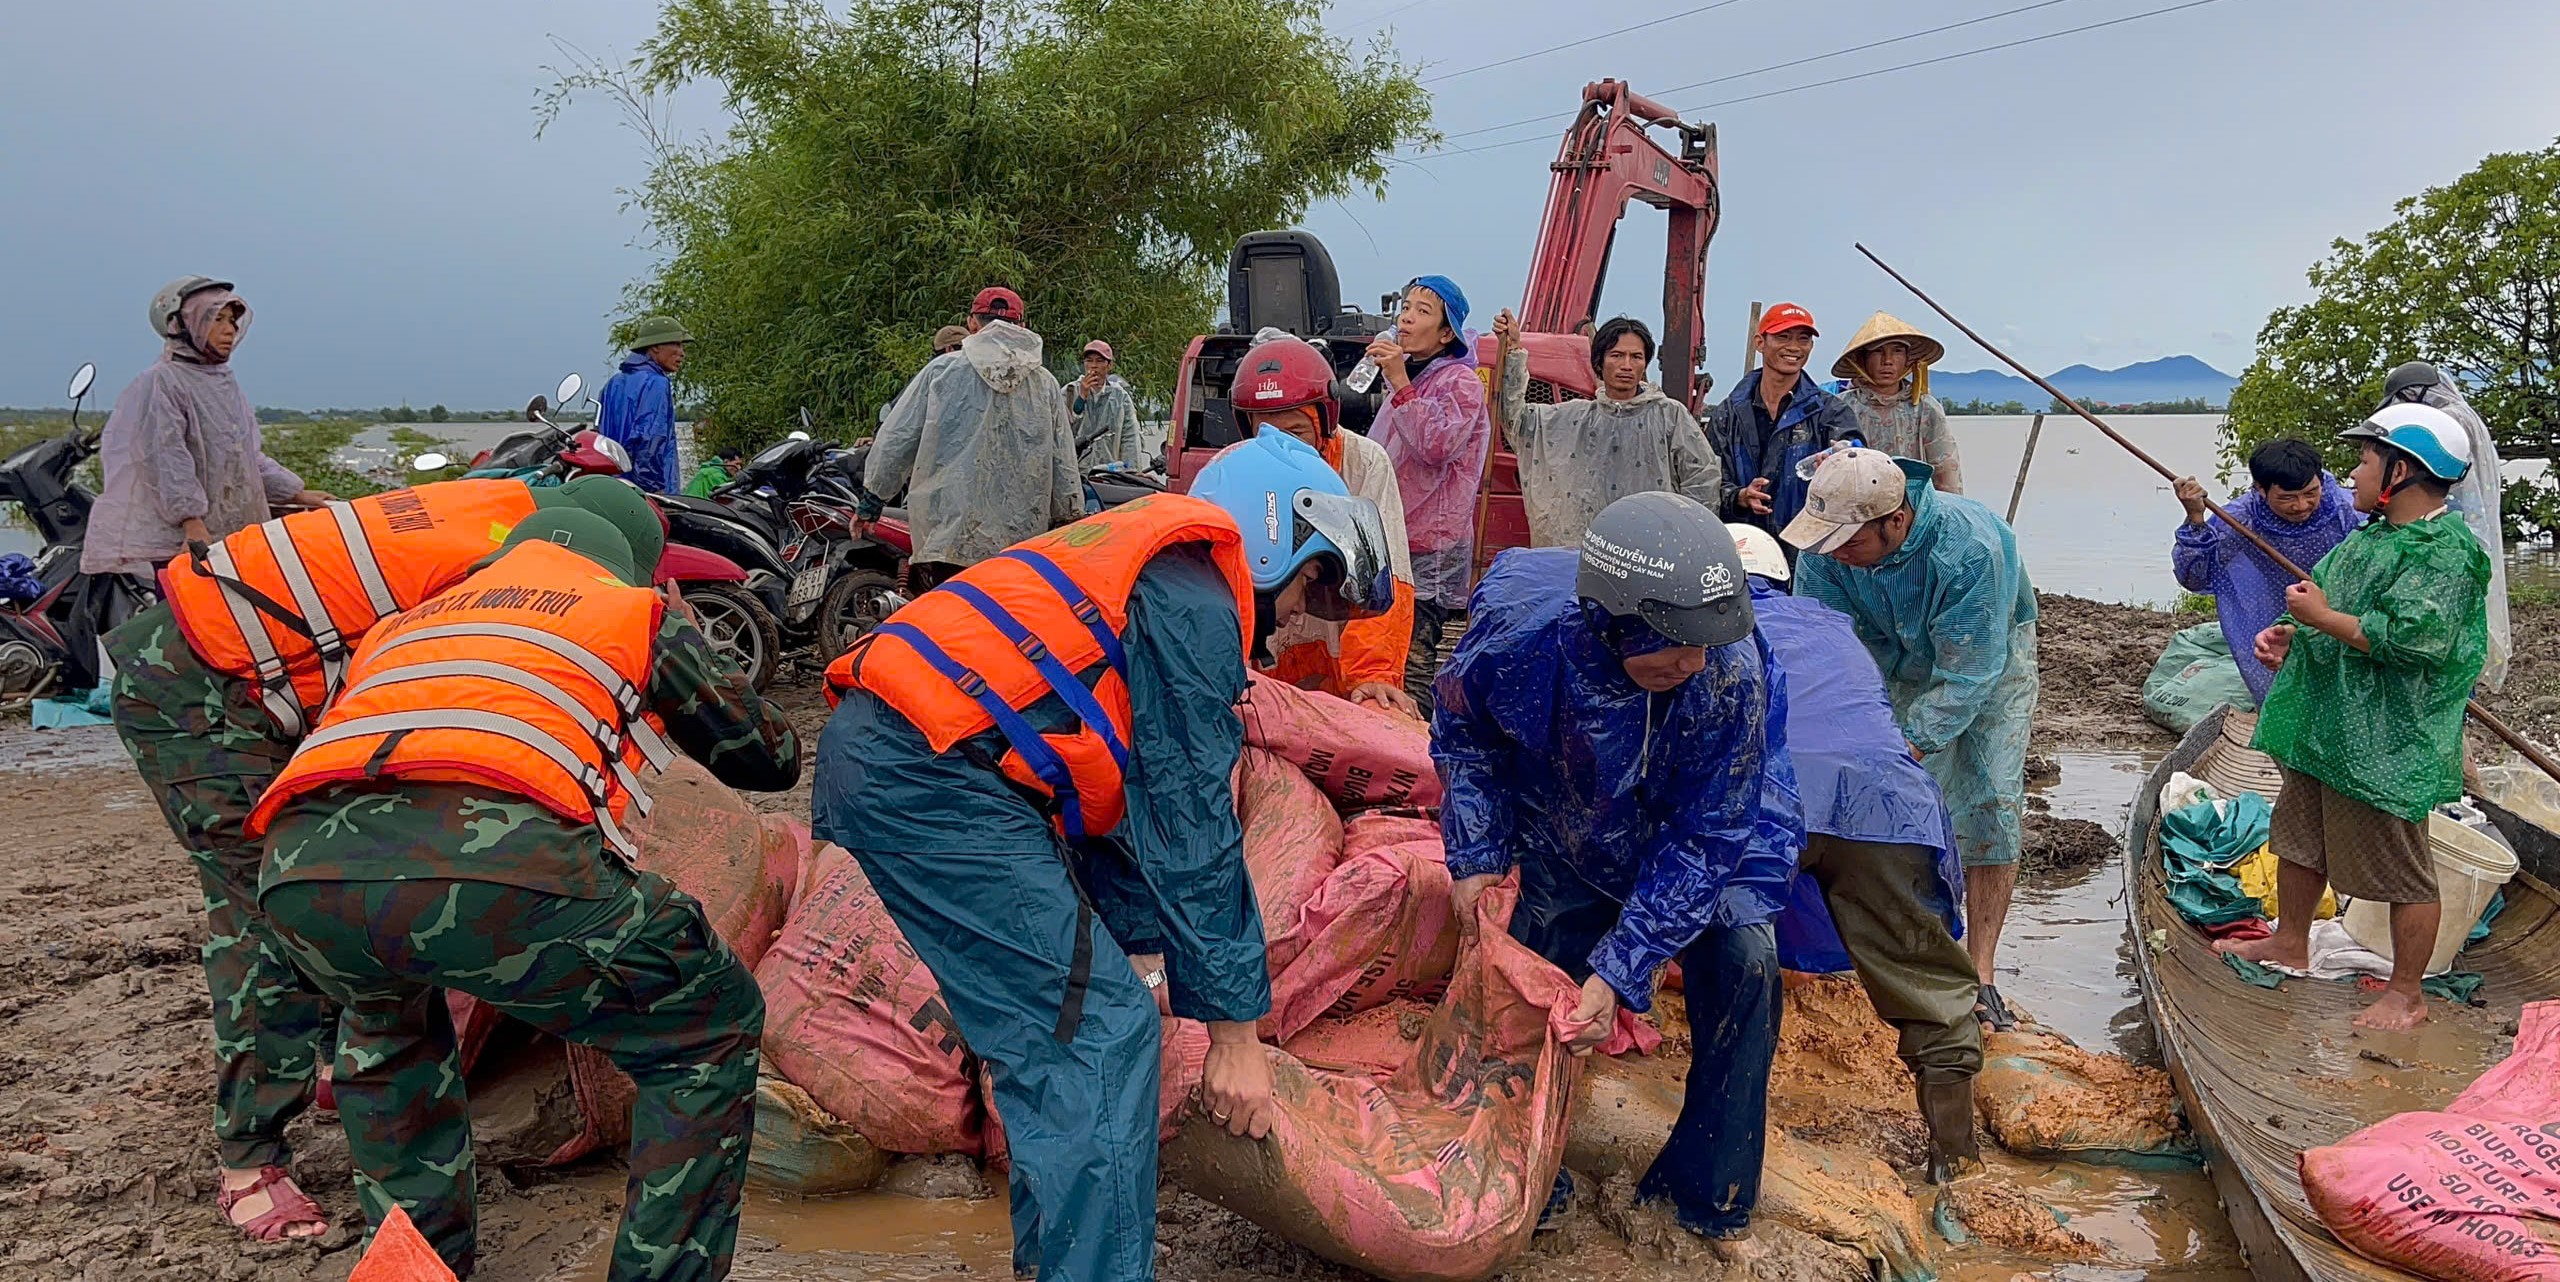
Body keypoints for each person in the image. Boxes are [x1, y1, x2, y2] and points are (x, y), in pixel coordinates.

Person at [815, 428, 1395, 1281]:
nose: (1308, 612)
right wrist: (1234, 1036)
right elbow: (1191, 820)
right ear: (1272, 533)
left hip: (918, 767)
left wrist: (1146, 950)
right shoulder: (1194, 604)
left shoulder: (1154, 573)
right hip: (931, 781)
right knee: (1102, 1041)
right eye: (1314, 581)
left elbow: (1111, 801)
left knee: (1063, 1039)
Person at [101, 475, 665, 1243]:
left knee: (355, 889)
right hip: (197, 688)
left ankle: (345, 1067)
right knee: (275, 911)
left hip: (238, 663)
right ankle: (249, 1160)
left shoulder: (500, 514)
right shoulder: (490, 576)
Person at [249, 508, 799, 1280]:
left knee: (387, 1035)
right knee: (707, 1030)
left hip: (301, 876)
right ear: (637, 567)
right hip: (506, 864)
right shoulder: (627, 607)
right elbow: (767, 757)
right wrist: (686, 638)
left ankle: (419, 1267)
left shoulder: (406, 624)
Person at [1434, 494, 1800, 1248]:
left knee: (1745, 962)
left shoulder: (1728, 675)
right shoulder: (1523, 643)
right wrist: (1474, 853)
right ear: (1615, 621)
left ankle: (1706, 1192)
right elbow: (1465, 736)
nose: (1692, 661)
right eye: (1673, 645)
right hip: (1568, 813)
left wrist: (1626, 968)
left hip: (1712, 825)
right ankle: (1520, 1170)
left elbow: (1707, 837)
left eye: (1706, 643)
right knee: (1527, 960)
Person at [2217, 404, 2491, 1032]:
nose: (2354, 472)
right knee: (2299, 839)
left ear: (2402, 470)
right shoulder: (2372, 538)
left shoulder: (2445, 554)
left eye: (2365, 459)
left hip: (2389, 740)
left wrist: (2321, 621)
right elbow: (2330, 602)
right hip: (2329, 725)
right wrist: (2292, 633)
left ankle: (2407, 994)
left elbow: (2414, 641)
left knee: (2403, 867)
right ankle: (2291, 943)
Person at [1730, 523, 1982, 1182]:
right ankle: (1956, 1163)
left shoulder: (1705, 630)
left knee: (1729, 954)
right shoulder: (1830, 626)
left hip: (1767, 801)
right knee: (1927, 980)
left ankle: (1733, 1150)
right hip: (1885, 803)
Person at [1786, 448, 2037, 1028]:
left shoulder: (1968, 549)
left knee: (1990, 800)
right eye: (1829, 542)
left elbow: (1969, 672)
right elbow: (1818, 641)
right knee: (1871, 792)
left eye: (1851, 543)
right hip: (1882, 650)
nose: (1835, 553)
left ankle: (1981, 972)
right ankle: (1892, 945)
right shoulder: (1828, 548)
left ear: (1895, 520)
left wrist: (1904, 750)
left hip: (1988, 656)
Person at [84, 277, 332, 579]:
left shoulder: (222, 381)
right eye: (216, 319)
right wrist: (191, 521)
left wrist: (296, 493)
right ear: (183, 325)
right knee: (193, 620)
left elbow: (243, 456)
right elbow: (167, 459)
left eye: (231, 320)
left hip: (230, 535)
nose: (229, 330)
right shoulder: (164, 381)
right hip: (186, 542)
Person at [1231, 334, 1420, 716]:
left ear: (1324, 419)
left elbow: (1388, 578)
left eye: (1296, 432)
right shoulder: (1232, 468)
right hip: (1264, 651)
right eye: (1266, 430)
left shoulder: (1363, 463)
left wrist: (1375, 674)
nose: (1282, 446)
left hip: (1344, 643)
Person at [858, 285, 1080, 594]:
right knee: (1008, 627)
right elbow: (1064, 462)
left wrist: (872, 502)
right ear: (1023, 327)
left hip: (950, 537)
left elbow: (898, 438)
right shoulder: (1044, 384)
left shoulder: (941, 372)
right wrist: (1069, 518)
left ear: (972, 323)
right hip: (1022, 542)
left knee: (955, 627)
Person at [1493, 310, 1720, 549]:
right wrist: (1513, 351)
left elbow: (1702, 479)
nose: (1626, 366)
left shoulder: (1669, 415)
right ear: (1599, 361)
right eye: (1617, 355)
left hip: (1653, 556)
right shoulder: (1574, 418)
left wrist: (1686, 539)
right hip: (1584, 556)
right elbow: (1517, 420)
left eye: (1636, 357)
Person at [1364, 276, 1488, 713]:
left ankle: (1415, 753)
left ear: (1445, 332)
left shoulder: (1462, 383)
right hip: (1392, 533)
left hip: (1429, 545)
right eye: (1406, 306)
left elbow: (1435, 445)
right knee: (1381, 652)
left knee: (1413, 658)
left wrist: (1400, 382)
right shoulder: (1412, 374)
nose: (1406, 317)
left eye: (1421, 311)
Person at [2171, 439, 2358, 705]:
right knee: (2284, 698)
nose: (2302, 506)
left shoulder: (2346, 510)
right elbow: (2194, 575)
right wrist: (2196, 519)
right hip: (2271, 614)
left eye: (2310, 493)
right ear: (2260, 489)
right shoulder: (2241, 518)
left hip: (2341, 610)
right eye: (2287, 498)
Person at [2382, 360, 2511, 690]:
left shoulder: (2444, 421)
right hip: (2468, 530)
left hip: (2450, 531)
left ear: (2415, 393)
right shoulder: (2463, 416)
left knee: (2446, 623)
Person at [1708, 303, 1861, 540]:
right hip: (1741, 544)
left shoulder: (1832, 412)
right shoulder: (1727, 415)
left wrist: (1836, 468)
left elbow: (1858, 466)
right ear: (1760, 342)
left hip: (1811, 549)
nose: (1794, 347)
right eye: (1783, 337)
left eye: (1803, 339)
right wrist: (1739, 497)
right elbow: (1708, 480)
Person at [1833, 312, 1962, 493]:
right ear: (1862, 360)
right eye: (1878, 351)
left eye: (1897, 351)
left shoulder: (1925, 408)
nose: (1887, 361)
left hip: (1914, 508)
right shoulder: (1841, 407)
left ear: (1907, 360)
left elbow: (1946, 472)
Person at [598, 314, 691, 493]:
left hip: (615, 487)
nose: (682, 353)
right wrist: (654, 491)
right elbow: (649, 439)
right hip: (644, 491)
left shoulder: (614, 383)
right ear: (655, 346)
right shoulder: (656, 383)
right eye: (676, 344)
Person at [1068, 339, 1144, 471]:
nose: (1094, 366)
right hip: (1076, 472)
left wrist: (1132, 470)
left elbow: (1130, 436)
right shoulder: (1069, 391)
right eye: (1089, 361)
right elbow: (1062, 431)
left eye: (1099, 361)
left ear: (1109, 365)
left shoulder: (1120, 396)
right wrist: (1082, 397)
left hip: (1108, 472)